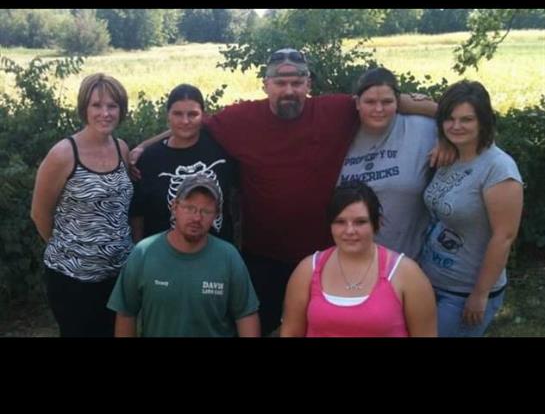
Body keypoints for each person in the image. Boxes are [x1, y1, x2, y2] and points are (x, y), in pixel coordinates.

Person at [131, 49, 439, 335]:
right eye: (280, 82)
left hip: (323, 255)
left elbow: (382, 99)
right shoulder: (242, 119)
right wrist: (146, 146)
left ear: (309, 83)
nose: (289, 90)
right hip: (264, 256)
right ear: (266, 84)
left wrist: (445, 128)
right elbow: (190, 124)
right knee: (256, 325)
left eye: (296, 81)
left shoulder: (335, 110)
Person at [30, 73, 134, 337]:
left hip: (119, 274)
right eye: (96, 105)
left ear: (121, 109)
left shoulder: (121, 148)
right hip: (72, 279)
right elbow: (39, 214)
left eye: (112, 106)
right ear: (84, 109)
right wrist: (72, 250)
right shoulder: (63, 154)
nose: (105, 113)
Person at [419, 80, 524, 337]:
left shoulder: (498, 169)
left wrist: (480, 294)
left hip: (464, 291)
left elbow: (504, 236)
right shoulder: (449, 155)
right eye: (450, 119)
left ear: (483, 122)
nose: (456, 126)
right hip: (429, 279)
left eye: (466, 119)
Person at [108, 175, 260, 337]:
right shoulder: (144, 253)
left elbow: (246, 315)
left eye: (206, 211)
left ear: (216, 215)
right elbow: (126, 313)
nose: (197, 218)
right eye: (189, 208)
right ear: (174, 207)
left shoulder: (228, 256)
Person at [280, 185, 437, 337]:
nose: (350, 231)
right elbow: (291, 332)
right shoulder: (308, 269)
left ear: (377, 223)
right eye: (340, 222)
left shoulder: (407, 273)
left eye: (360, 222)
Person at [337, 67, 448, 259]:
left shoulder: (423, 128)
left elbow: (473, 130)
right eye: (370, 102)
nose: (378, 109)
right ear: (357, 103)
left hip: (411, 259)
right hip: (351, 259)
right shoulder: (340, 131)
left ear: (398, 101)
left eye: (387, 102)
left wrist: (446, 140)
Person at [129, 83, 238, 245]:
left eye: (192, 114)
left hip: (217, 254)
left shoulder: (221, 148)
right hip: (162, 254)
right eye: (178, 114)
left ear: (203, 116)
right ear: (168, 116)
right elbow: (138, 213)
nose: (185, 121)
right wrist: (139, 252)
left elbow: (237, 198)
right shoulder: (150, 159)